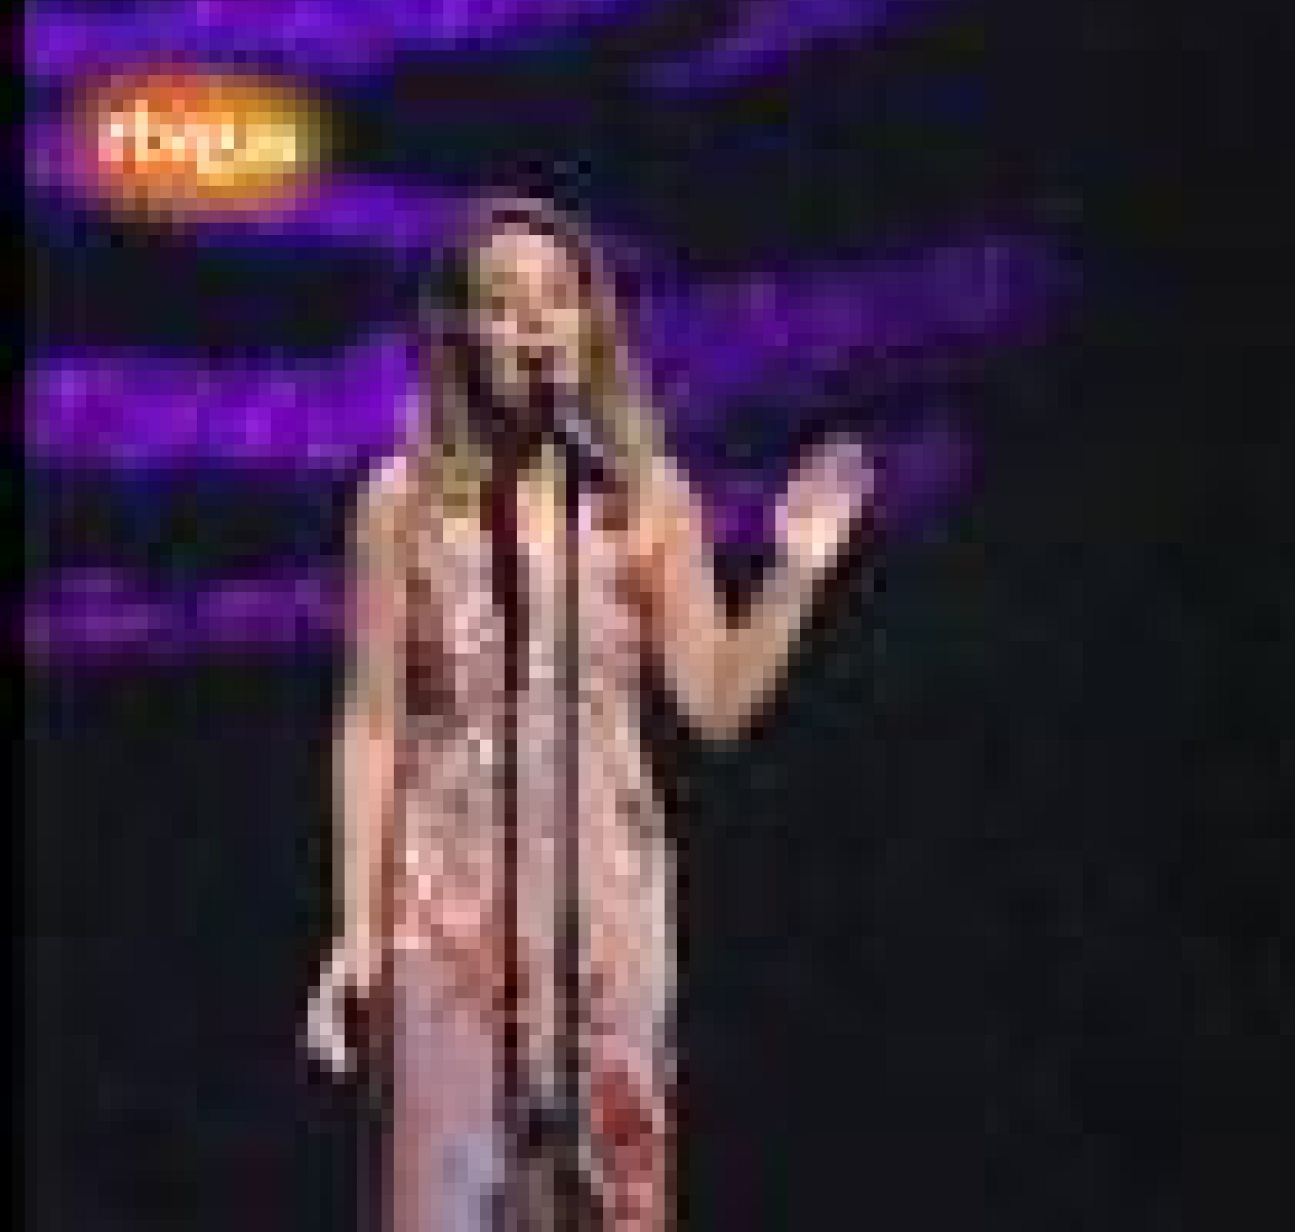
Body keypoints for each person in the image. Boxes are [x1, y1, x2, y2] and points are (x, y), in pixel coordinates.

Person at [303, 195, 875, 1230]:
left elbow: (715, 702)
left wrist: (793, 573)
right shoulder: (400, 502)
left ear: (592, 323)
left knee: (608, 1197)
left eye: (558, 297)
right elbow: (372, 721)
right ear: (462, 334)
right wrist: (355, 926)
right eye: (502, 302)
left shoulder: (646, 500)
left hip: (608, 905)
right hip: (445, 910)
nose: (534, 322)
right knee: (446, 1200)